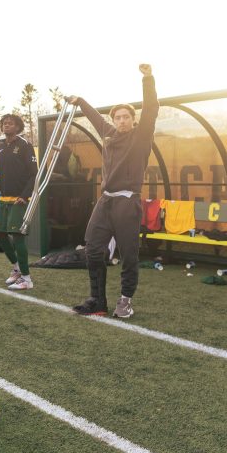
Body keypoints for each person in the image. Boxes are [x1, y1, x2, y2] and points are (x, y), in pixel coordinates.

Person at [67, 64, 158, 319]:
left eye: (126, 117)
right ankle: (97, 300)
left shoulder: (141, 137)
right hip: (105, 202)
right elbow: (95, 117)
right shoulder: (108, 134)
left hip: (127, 203)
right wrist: (81, 100)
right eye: (117, 117)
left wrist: (148, 79)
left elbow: (151, 109)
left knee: (129, 255)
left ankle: (125, 300)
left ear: (133, 120)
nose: (121, 121)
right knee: (93, 249)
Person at [0, 114, 38, 290]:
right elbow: (2, 176)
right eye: (4, 123)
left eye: (10, 123)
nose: (6, 126)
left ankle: (26, 279)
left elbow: (34, 174)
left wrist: (24, 195)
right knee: (0, 234)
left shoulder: (25, 145)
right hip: (3, 199)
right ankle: (16, 267)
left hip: (19, 200)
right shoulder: (0, 147)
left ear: (18, 127)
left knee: (17, 236)